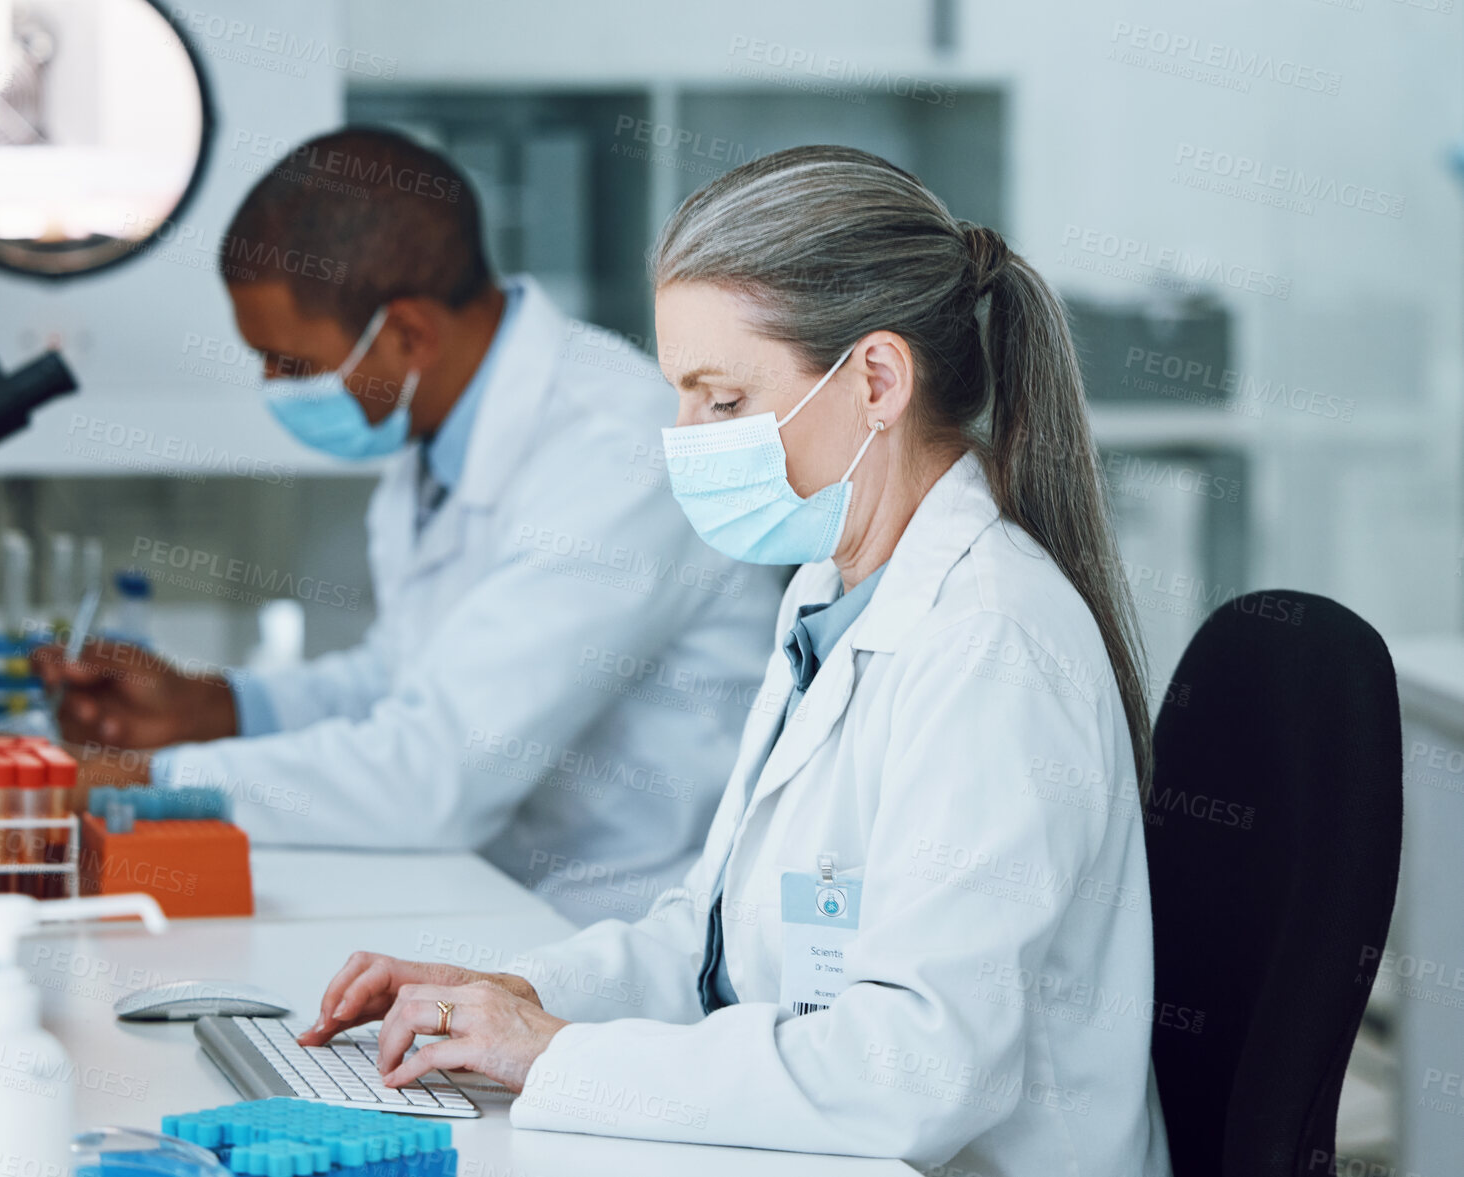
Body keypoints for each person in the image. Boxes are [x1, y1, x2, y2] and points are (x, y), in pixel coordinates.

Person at [296, 145, 1174, 1174]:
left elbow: (919, 1071)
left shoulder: (989, 641)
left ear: (878, 379)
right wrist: (518, 996)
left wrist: (561, 1057)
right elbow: (710, 939)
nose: (683, 439)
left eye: (720, 399)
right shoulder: (832, 590)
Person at [32, 129, 784, 925]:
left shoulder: (615, 454)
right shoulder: (437, 429)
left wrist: (142, 784)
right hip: (492, 897)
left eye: (291, 363)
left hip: (623, 924)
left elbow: (434, 774)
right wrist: (215, 708)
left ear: (409, 335)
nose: (273, 387)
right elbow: (401, 679)